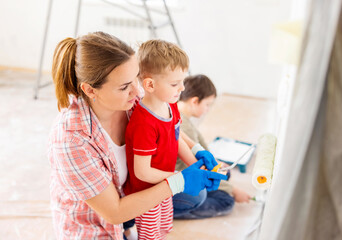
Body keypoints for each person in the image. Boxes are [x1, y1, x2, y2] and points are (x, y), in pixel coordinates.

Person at [48, 32, 227, 239]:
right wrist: (179, 181)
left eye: (136, 78)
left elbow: (170, 129)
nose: (137, 91)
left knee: (196, 196)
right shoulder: (71, 139)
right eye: (124, 86)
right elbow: (113, 213)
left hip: (131, 196)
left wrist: (197, 149)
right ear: (90, 90)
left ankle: (136, 223)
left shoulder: (135, 102)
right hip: (98, 227)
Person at [122, 39, 211, 240]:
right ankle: (127, 231)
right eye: (174, 83)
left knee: (162, 230)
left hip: (165, 185)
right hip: (147, 193)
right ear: (150, 84)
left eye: (183, 81)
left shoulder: (169, 105)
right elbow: (142, 172)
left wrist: (196, 164)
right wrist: (180, 177)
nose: (182, 88)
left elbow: (176, 138)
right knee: (150, 236)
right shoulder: (144, 123)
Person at [173, 74, 251, 219]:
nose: (208, 110)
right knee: (226, 201)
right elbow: (196, 170)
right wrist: (233, 190)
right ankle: (174, 211)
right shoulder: (184, 125)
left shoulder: (182, 117)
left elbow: (200, 150)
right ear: (195, 101)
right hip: (184, 176)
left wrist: (217, 165)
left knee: (226, 173)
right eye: (207, 105)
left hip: (191, 169)